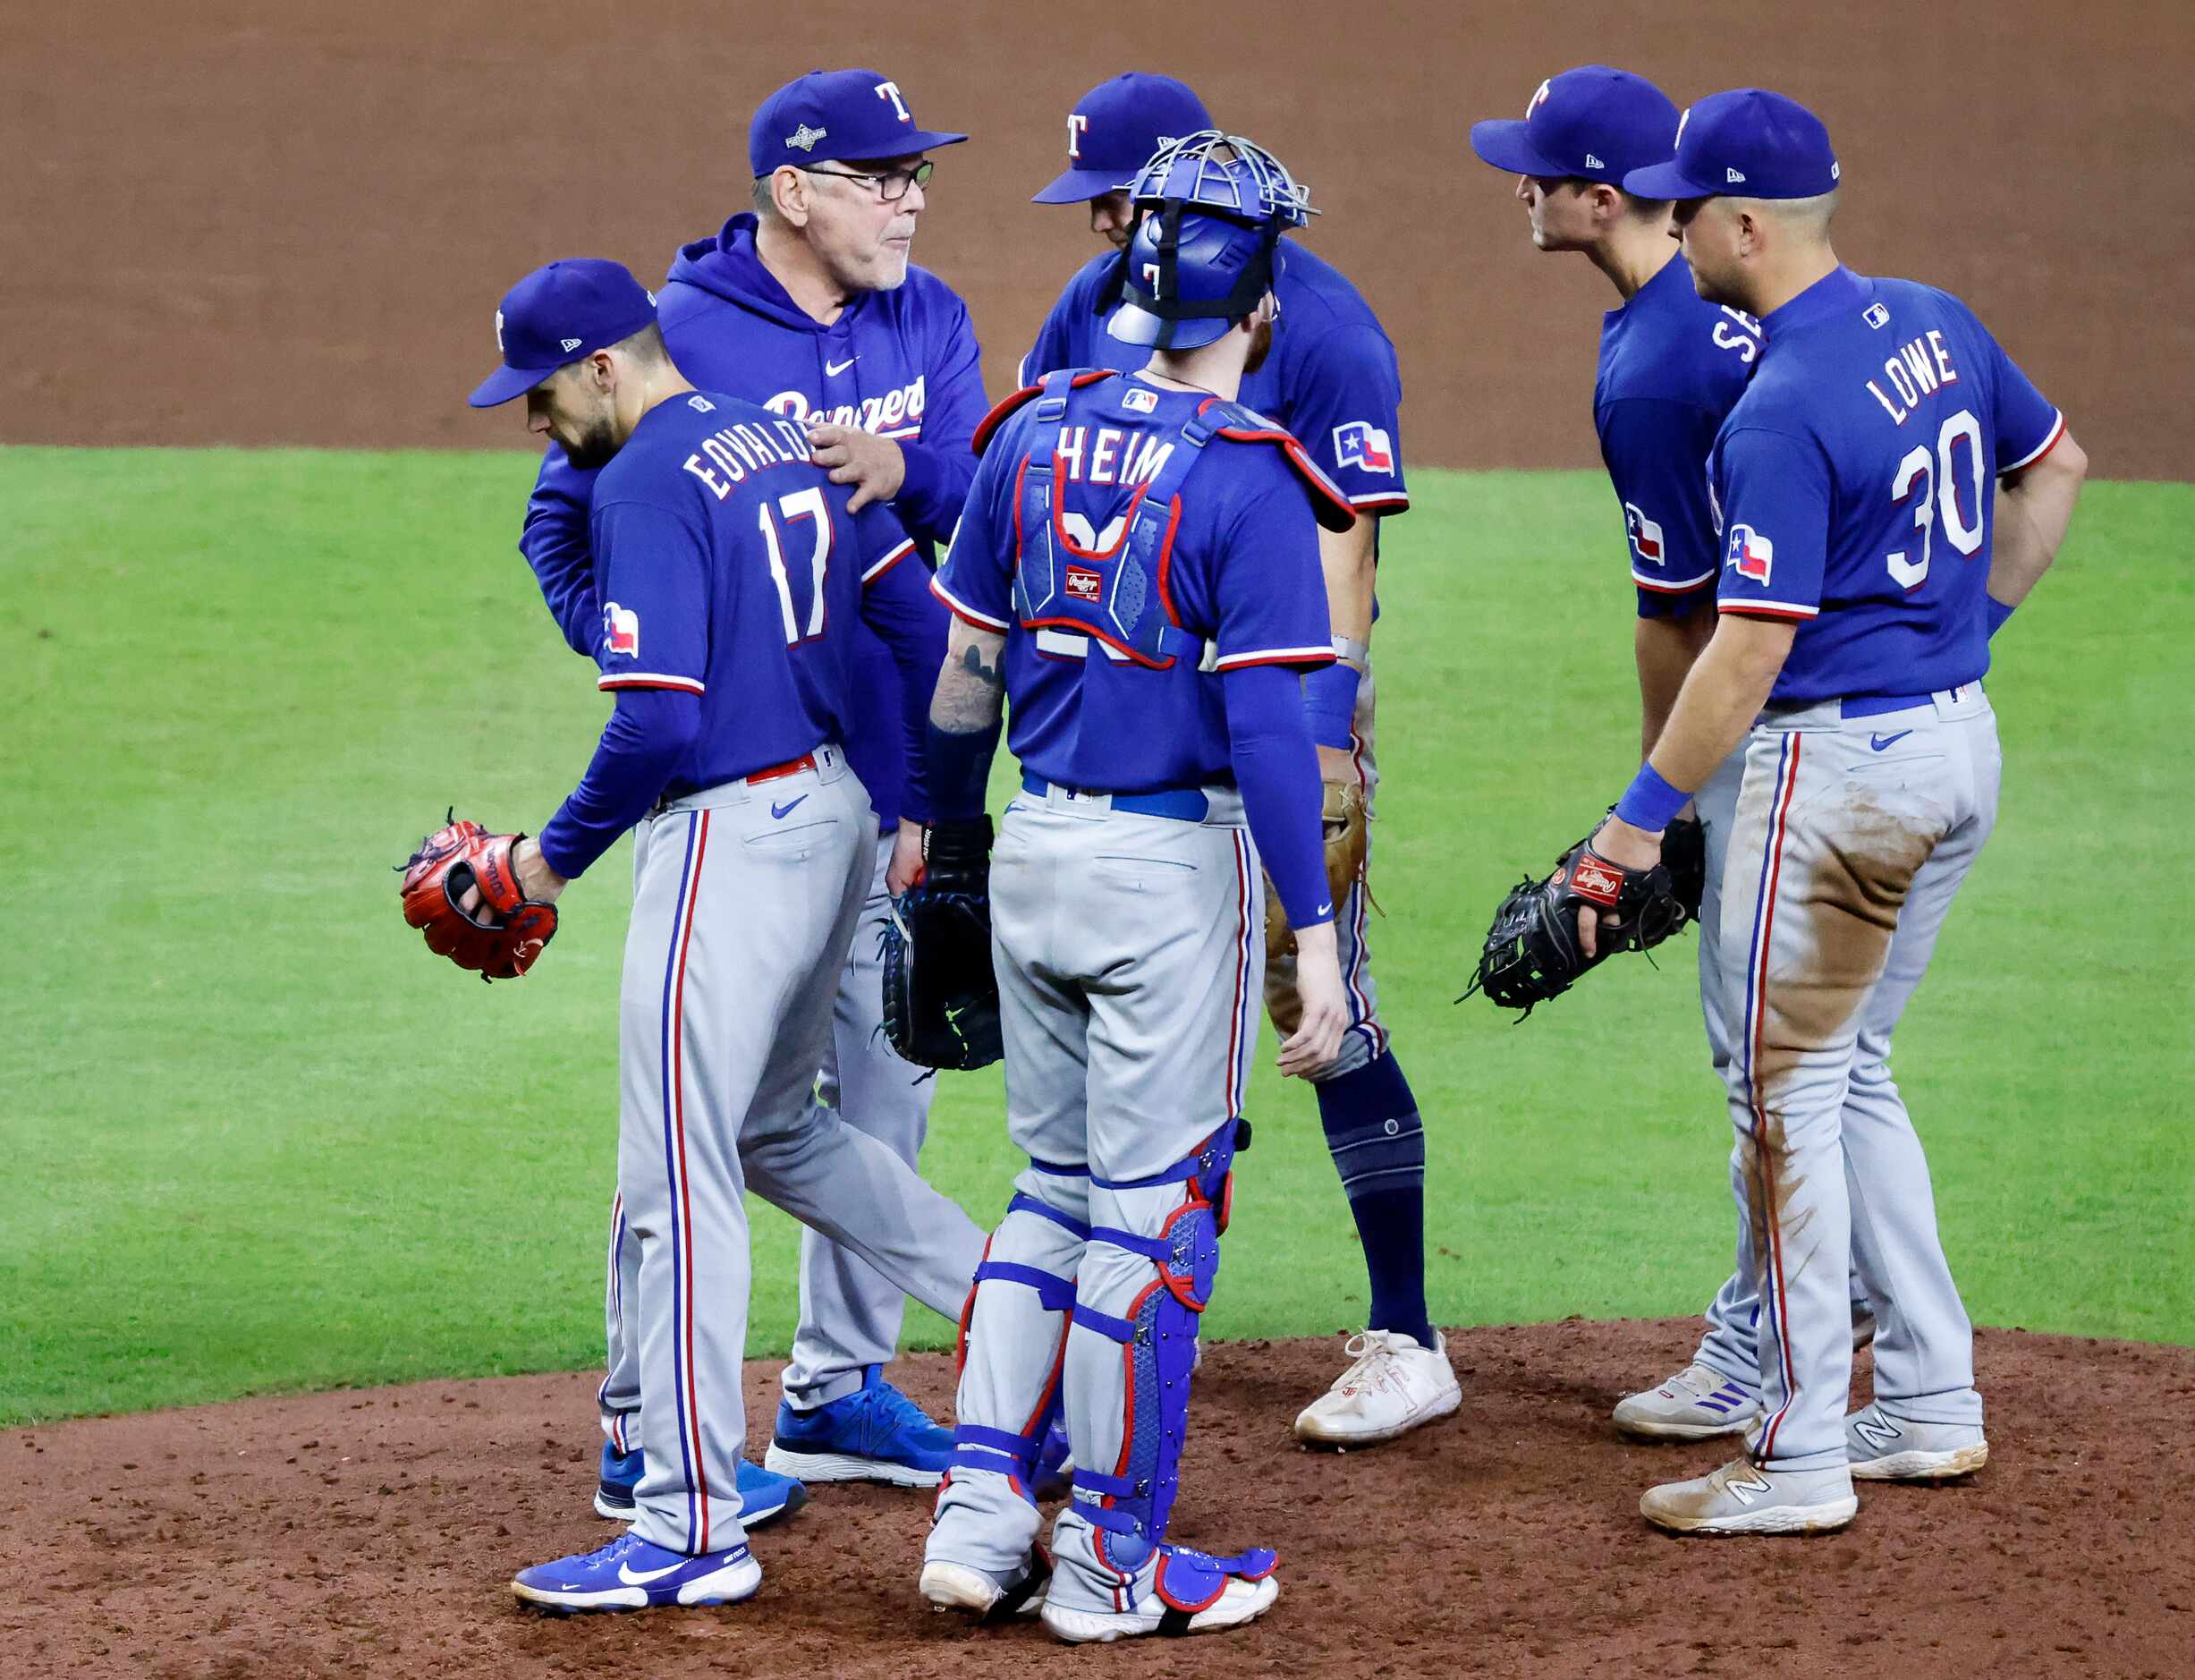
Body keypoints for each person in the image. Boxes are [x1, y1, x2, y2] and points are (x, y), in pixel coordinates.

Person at [1577, 91, 2084, 1532]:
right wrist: (1954, 630)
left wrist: (1633, 820)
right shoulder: (1932, 316)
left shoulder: (1779, 405)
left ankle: (1793, 1453)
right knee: (1849, 1068)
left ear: (1743, 224)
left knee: (1782, 1097)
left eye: (1687, 207)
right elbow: (2055, 465)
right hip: (1955, 748)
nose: (1669, 225)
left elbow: (1743, 647)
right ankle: (1926, 1397)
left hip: (1838, 777)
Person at [462, 259, 990, 1609]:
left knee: (674, 1181)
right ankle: (1029, 1316)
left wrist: (542, 860)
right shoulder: (772, 434)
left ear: (598, 367)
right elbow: (921, 617)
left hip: (728, 840)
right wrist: (926, 807)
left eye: (538, 396)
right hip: (831, 822)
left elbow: (656, 722)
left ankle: (688, 1520)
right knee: (778, 1131)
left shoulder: (640, 477)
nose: (535, 427)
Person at [914, 144, 1352, 1640]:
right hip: (1171, 872)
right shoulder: (1250, 480)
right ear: (1266, 301)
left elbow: (964, 673)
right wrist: (1314, 938)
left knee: (1047, 1190)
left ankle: (977, 1521)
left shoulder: (1026, 435)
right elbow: (1268, 738)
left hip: (1031, 846)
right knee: (1155, 1222)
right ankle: (1107, 1561)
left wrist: (951, 851)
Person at [1024, 97, 1455, 1450]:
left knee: (1313, 996)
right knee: (1125, 1007)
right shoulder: (1093, 298)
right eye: (1109, 203)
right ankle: (1112, 1314)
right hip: (1116, 715)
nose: (1106, 225)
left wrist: (1321, 743)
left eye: (1122, 198)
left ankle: (1407, 1336)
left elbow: (1345, 557)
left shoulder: (1325, 332)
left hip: (1275, 702)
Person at [1469, 67, 1882, 1444]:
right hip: (1867, 700)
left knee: (1764, 1067)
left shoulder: (1651, 363)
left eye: (1537, 170)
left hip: (1761, 732)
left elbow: (1683, 614)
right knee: (1833, 1059)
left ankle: (1761, 1349)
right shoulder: (1723, 317)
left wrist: (1662, 807)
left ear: (1605, 196)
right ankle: (1857, 1301)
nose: (1515, 188)